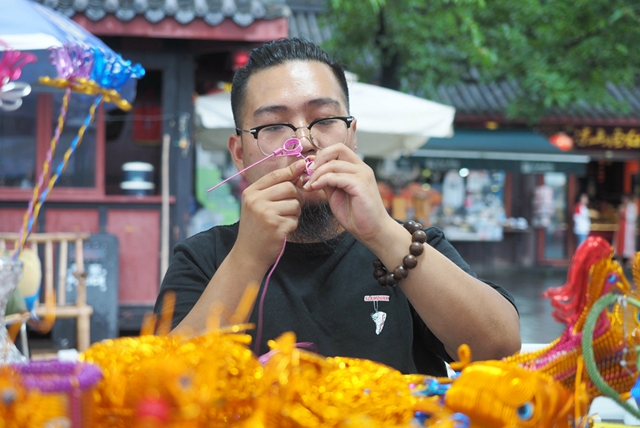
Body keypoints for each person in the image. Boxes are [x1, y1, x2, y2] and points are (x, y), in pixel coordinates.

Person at [154, 38, 521, 376]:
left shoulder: (410, 244)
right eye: (274, 126)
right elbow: (159, 385)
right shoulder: (205, 258)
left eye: (325, 120)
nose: (304, 141)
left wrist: (380, 231)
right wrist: (248, 257)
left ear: (352, 135)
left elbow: (500, 348)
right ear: (239, 153)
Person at [613, 194, 637, 267]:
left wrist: (625, 214)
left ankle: (630, 261)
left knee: (629, 245)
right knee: (619, 244)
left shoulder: (632, 206)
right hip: (621, 227)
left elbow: (633, 217)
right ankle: (619, 259)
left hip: (629, 229)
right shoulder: (622, 206)